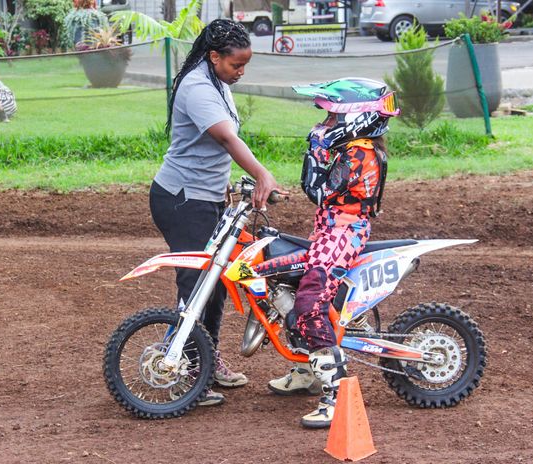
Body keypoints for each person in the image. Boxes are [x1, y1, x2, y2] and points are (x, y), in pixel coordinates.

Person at [149, 19, 284, 407]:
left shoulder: (218, 83)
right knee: (195, 285)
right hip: (181, 199)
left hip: (206, 197)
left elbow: (216, 144)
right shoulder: (196, 86)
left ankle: (203, 361)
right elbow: (226, 137)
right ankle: (182, 368)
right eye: (235, 65)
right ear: (213, 56)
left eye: (244, 66)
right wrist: (260, 173)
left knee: (218, 283)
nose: (240, 72)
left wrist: (229, 185)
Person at [267, 78, 396, 428]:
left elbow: (318, 190)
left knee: (310, 305)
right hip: (331, 229)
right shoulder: (355, 148)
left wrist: (314, 151)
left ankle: (336, 395)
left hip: (343, 232)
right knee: (289, 286)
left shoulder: (360, 153)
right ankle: (307, 371)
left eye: (330, 119)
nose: (323, 125)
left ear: (354, 119)